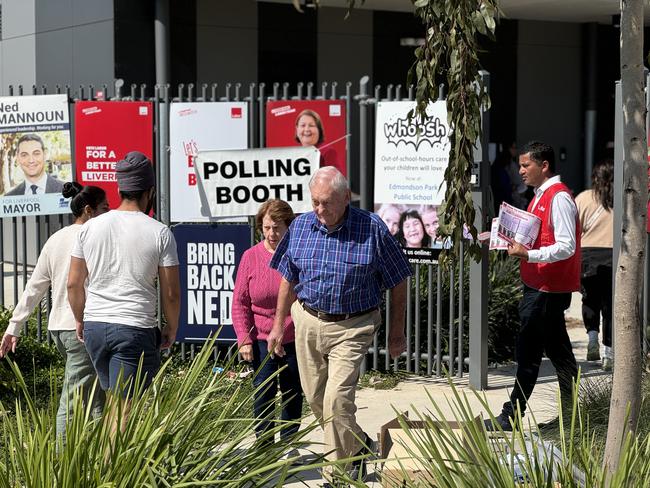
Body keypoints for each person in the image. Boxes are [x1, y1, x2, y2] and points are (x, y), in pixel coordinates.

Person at [267, 166, 412, 485]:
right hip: (306, 319)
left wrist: (396, 331)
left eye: (327, 202)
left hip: (354, 324)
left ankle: (340, 474)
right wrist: (279, 324)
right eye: (315, 201)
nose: (319, 209)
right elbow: (287, 277)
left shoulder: (371, 228)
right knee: (317, 398)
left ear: (347, 198)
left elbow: (398, 279)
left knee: (336, 399)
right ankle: (360, 446)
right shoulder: (302, 226)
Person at [67, 151, 180, 405]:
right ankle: (110, 448)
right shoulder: (160, 232)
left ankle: (103, 446)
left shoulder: (90, 227)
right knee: (125, 411)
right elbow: (171, 293)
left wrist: (80, 318)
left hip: (95, 325)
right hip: (133, 327)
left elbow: (73, 283)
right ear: (149, 191)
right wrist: (171, 328)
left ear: (119, 188)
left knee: (115, 403)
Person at [0, 182, 109, 439]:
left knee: (95, 394)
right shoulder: (94, 237)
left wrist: (14, 326)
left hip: (60, 330)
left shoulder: (55, 239)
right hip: (81, 328)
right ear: (89, 210)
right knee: (72, 401)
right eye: (105, 207)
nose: (110, 211)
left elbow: (34, 287)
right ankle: (61, 465)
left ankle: (103, 456)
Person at [485, 141, 580, 432]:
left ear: (544, 166)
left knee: (528, 350)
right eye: (521, 165)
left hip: (547, 289)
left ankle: (510, 416)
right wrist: (496, 236)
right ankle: (571, 418)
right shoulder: (541, 196)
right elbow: (534, 236)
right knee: (559, 353)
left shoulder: (558, 198)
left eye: (526, 165)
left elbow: (566, 246)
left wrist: (530, 254)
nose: (521, 170)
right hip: (540, 286)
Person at [232, 199, 303, 451]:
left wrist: (288, 327)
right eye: (267, 227)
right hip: (262, 339)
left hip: (293, 337)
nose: (272, 233)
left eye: (277, 228)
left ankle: (289, 443)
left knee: (292, 392)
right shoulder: (250, 257)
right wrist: (244, 339)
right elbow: (240, 302)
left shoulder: (298, 255)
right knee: (263, 393)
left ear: (289, 227)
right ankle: (263, 447)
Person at [575, 159, 614, 369]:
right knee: (610, 304)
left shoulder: (584, 198)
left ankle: (592, 340)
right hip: (613, 255)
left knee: (590, 300)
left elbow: (575, 227)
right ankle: (609, 352)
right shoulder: (620, 199)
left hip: (588, 256)